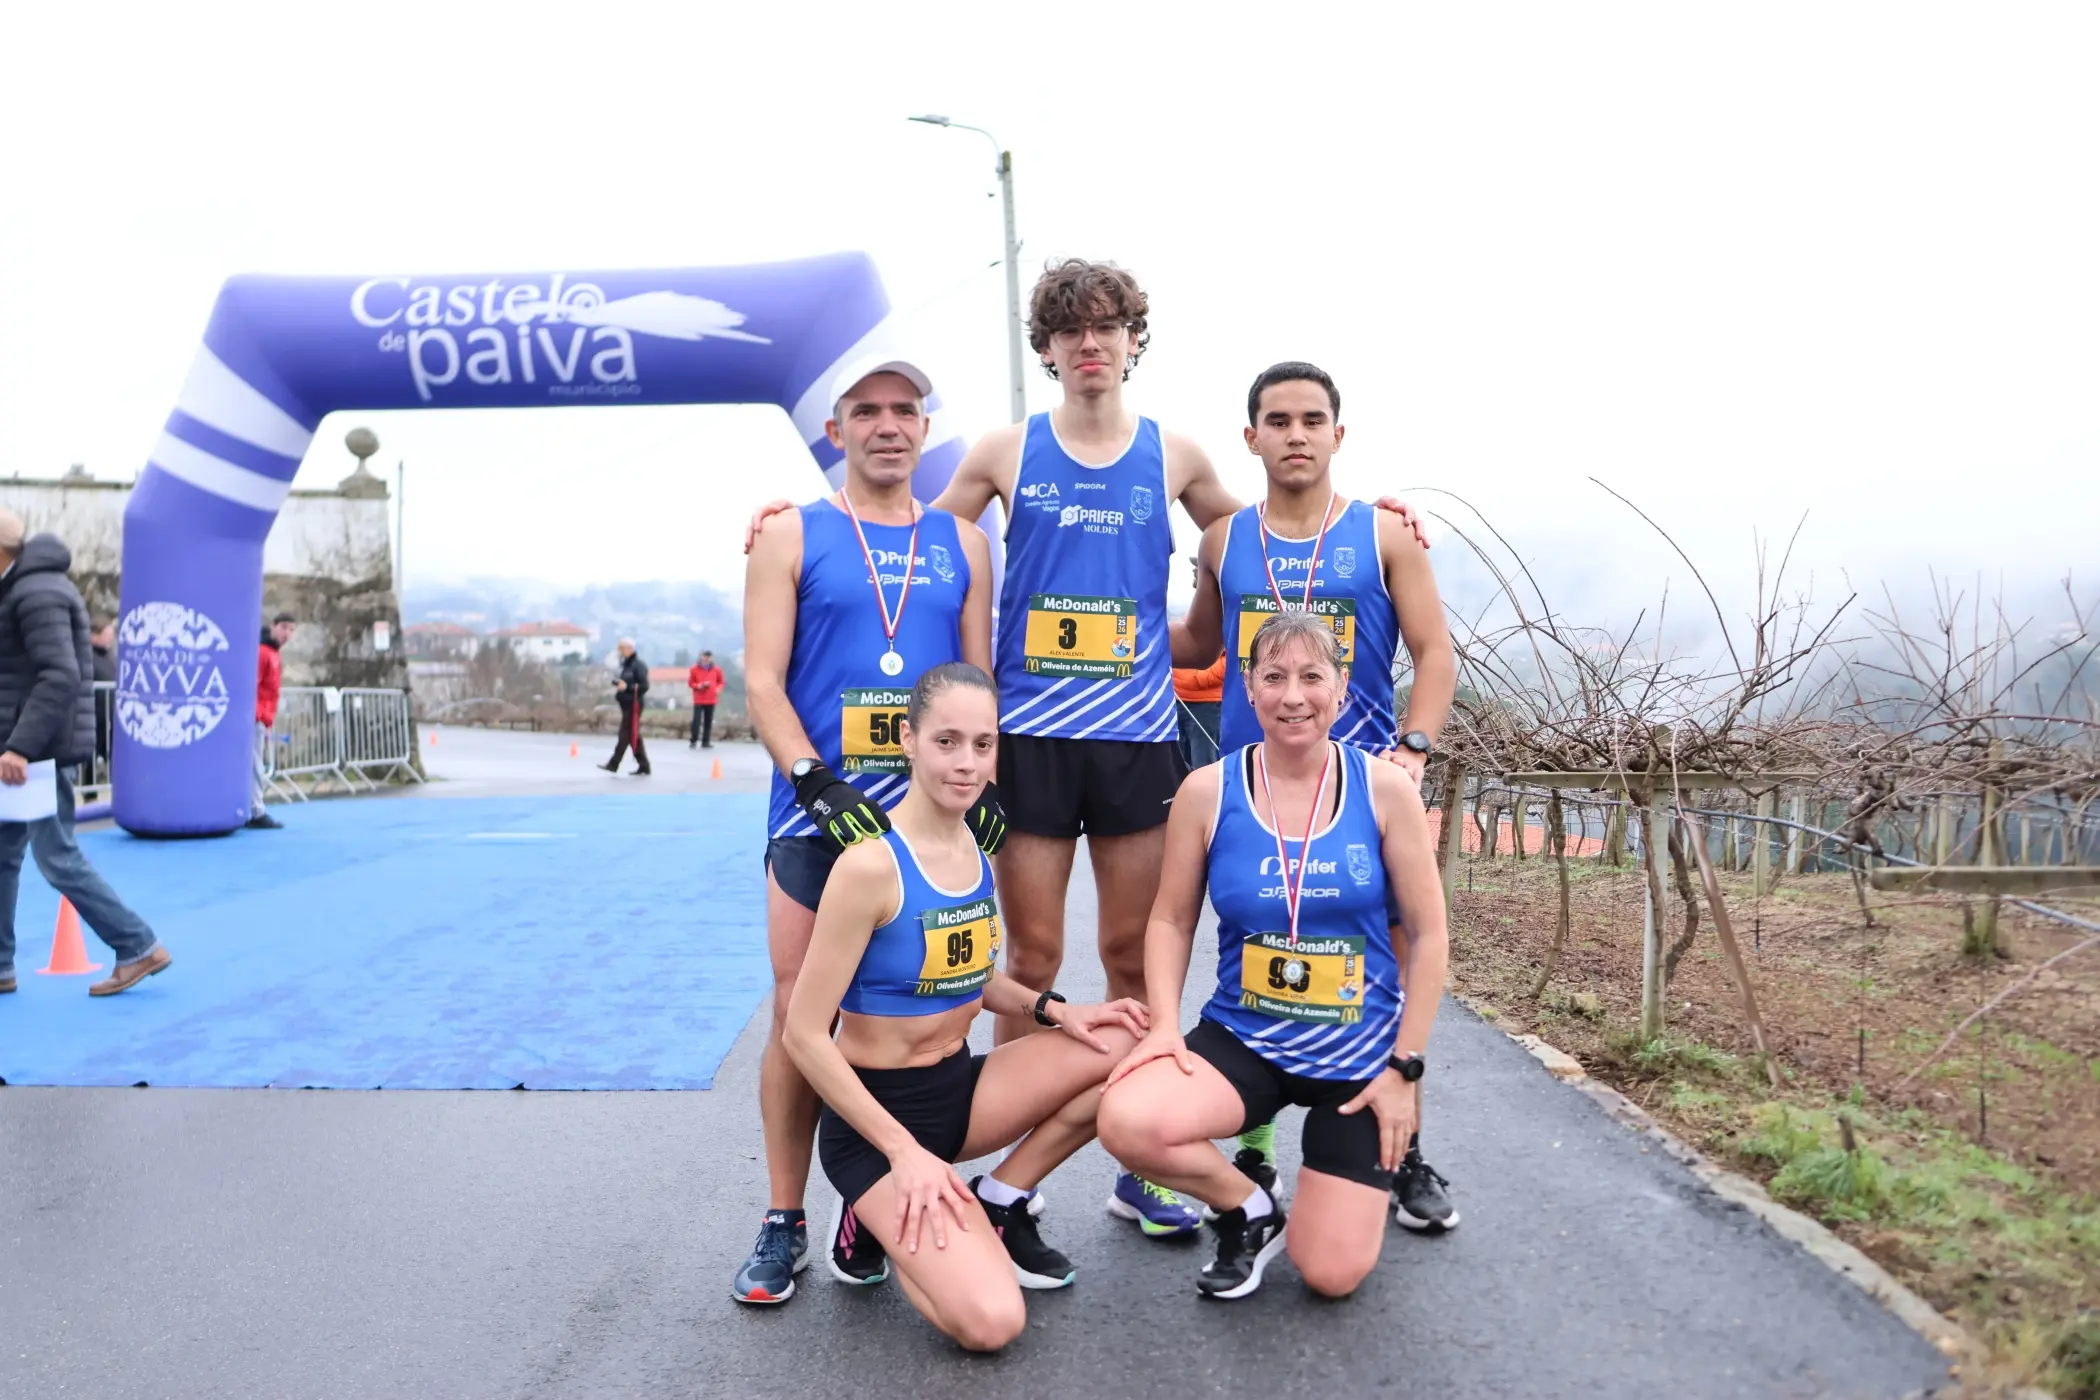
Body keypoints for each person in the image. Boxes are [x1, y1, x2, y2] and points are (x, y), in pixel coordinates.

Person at [744, 260, 1426, 1238]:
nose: (1091, 344)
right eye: (1071, 330)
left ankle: (1136, 1167)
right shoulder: (1002, 451)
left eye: (1109, 326)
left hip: (1138, 742)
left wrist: (1377, 518)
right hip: (1027, 740)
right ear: (1049, 349)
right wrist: (784, 520)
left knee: (1127, 952)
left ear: (1135, 341)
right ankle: (1000, 1184)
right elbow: (909, 544)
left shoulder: (1178, 455)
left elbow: (1272, 536)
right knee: (1028, 953)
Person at [1172, 360, 1462, 1231]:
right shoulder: (1225, 538)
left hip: (1364, 787)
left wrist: (1412, 749)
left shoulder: (1383, 534)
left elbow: (1434, 652)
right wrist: (1113, 597)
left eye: (1312, 419)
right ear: (1250, 436)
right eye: (1277, 419)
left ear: (1338, 434)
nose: (1295, 433)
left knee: (1401, 954)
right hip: (1253, 785)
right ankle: (1254, 1144)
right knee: (1253, 944)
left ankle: (1398, 1140)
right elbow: (1192, 639)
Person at [733, 355, 998, 1306]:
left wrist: (985, 779)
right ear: (836, 429)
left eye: (905, 410)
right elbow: (761, 677)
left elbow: (978, 677)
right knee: (798, 1007)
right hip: (816, 815)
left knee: (921, 1003)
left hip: (927, 820)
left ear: (925, 428)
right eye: (866, 411)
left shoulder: (965, 543)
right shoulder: (790, 536)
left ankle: (874, 1187)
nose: (888, 424)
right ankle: (782, 1216)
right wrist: (811, 778)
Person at [785, 662, 1146, 1349]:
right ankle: (871, 1216)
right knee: (993, 1322)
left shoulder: (976, 848)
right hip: (876, 1130)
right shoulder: (869, 866)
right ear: (908, 740)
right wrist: (903, 1153)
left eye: (983, 745)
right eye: (947, 741)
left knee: (1124, 1045)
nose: (967, 763)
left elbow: (970, 977)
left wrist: (1053, 1012)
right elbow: (804, 1035)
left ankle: (999, 1199)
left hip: (958, 1094)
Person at [1098, 610, 1449, 1299]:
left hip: (1357, 1054)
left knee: (1331, 1274)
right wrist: (1166, 1026)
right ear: (1249, 691)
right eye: (1275, 677)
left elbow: (1430, 935)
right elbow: (1170, 919)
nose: (1294, 696)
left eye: (1312, 677)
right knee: (1128, 1119)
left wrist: (1405, 1066)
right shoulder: (1207, 792)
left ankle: (1345, 1184)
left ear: (1341, 690)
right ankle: (1248, 1209)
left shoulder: (1385, 791)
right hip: (1246, 1038)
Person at [0, 512, 169, 998]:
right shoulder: (29, 589)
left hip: (35, 754)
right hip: (27, 752)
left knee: (56, 856)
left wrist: (19, 746)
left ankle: (137, 945)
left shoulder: (37, 594)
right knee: (6, 854)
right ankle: (0, 965)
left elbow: (59, 675)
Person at [248, 612, 296, 830]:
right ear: (274, 627)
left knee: (255, 763)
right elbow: (253, 686)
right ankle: (256, 810)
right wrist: (258, 715)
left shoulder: (273, 654)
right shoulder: (263, 653)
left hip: (262, 717)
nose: (287, 634)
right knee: (255, 764)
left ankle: (252, 807)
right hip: (257, 717)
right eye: (284, 627)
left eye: (291, 629)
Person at [600, 639, 651, 776]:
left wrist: (627, 687)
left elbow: (644, 686)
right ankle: (644, 765)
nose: (620, 652)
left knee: (625, 734)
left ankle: (614, 763)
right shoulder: (625, 665)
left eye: (621, 649)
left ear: (629, 649)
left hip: (634, 704)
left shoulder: (638, 666)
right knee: (633, 735)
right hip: (625, 704)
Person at [89, 616, 114, 780]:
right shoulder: (86, 654)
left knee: (110, 750)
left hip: (109, 714)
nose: (111, 639)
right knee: (90, 754)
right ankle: (89, 791)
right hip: (92, 713)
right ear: (95, 635)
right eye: (107, 634)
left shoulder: (109, 655)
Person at [688, 650, 725, 749]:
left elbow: (721, 682)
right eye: (705, 656)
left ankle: (706, 741)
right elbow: (691, 683)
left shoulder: (717, 670)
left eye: (708, 657)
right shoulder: (694, 669)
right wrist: (699, 686)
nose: (706, 659)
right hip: (699, 699)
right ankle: (693, 740)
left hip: (711, 699)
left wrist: (718, 689)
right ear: (701, 657)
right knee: (696, 720)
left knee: (708, 721)